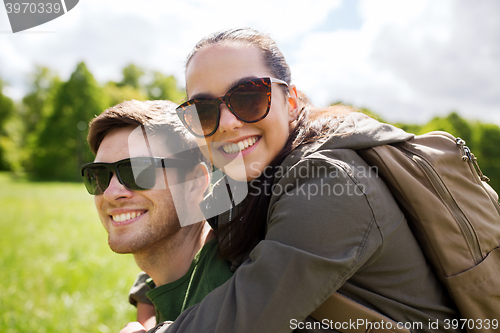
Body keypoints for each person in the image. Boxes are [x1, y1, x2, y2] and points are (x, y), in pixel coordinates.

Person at [139, 28, 463, 333]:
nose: (227, 123)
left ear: (290, 102)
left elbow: (245, 319)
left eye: (249, 97)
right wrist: (145, 298)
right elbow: (193, 228)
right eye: (203, 110)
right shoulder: (248, 177)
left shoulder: (332, 182)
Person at [80, 100, 233, 331]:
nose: (111, 193)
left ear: (195, 183)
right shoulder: (164, 278)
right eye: (99, 176)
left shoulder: (230, 293)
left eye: (138, 171)